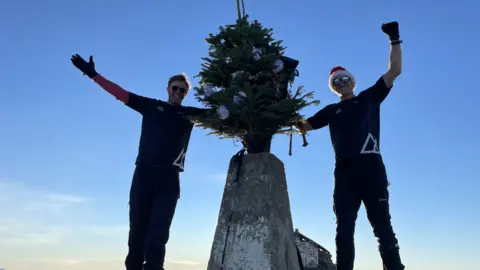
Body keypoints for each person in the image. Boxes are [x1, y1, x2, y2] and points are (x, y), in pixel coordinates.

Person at [70, 54, 206, 270]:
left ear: (186, 93)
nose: (178, 92)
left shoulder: (190, 114)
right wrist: (93, 75)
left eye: (182, 90)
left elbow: (222, 116)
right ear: (168, 89)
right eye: (175, 88)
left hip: (169, 180)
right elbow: (121, 94)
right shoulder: (151, 106)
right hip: (143, 176)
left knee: (157, 238)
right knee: (137, 237)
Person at [296, 22, 404, 270]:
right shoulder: (331, 111)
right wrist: (279, 107)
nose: (341, 82)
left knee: (382, 227)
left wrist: (394, 38)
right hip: (344, 173)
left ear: (352, 82)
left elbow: (395, 70)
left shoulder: (370, 97)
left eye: (345, 79)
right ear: (333, 88)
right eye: (336, 82)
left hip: (372, 168)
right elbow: (303, 126)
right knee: (344, 230)